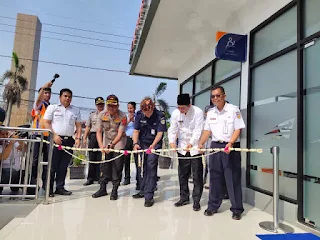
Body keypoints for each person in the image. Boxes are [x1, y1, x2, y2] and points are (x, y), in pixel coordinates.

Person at [198, 85, 245, 220]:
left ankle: (236, 209)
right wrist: (201, 143)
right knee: (215, 177)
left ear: (224, 96)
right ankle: (213, 206)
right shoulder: (211, 113)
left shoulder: (233, 110)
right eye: (213, 96)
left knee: (232, 178)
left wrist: (230, 143)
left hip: (230, 147)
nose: (215, 98)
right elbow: (207, 131)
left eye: (218, 95)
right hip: (215, 146)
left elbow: (238, 129)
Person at [168, 93, 204, 211]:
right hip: (182, 147)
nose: (180, 110)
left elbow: (198, 130)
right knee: (182, 174)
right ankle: (184, 197)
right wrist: (172, 142)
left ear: (189, 105)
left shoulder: (197, 112)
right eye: (179, 107)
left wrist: (192, 143)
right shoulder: (175, 113)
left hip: (194, 147)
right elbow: (173, 129)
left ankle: (196, 200)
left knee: (197, 175)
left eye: (183, 107)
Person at [43, 88, 82, 197]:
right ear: (60, 97)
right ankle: (48, 189)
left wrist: (78, 138)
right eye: (65, 96)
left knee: (64, 166)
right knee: (52, 165)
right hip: (55, 140)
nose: (67, 98)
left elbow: (78, 125)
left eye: (69, 96)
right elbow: (46, 122)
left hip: (68, 140)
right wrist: (54, 135)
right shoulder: (53, 108)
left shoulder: (75, 110)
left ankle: (60, 187)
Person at [132, 97, 167, 207]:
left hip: (154, 144)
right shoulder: (139, 114)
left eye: (148, 112)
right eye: (144, 112)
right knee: (141, 167)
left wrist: (153, 145)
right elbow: (136, 130)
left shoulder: (160, 116)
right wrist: (135, 143)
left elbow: (160, 133)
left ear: (152, 108)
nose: (146, 115)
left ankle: (149, 196)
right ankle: (142, 190)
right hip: (142, 143)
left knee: (151, 167)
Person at [92, 94, 127, 200]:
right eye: (109, 106)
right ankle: (102, 189)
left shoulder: (123, 116)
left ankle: (114, 190)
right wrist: (101, 146)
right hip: (106, 140)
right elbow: (98, 131)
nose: (112, 108)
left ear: (118, 105)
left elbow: (120, 134)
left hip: (118, 142)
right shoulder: (102, 114)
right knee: (105, 166)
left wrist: (112, 145)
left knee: (117, 166)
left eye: (114, 106)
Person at [31, 81, 52, 190]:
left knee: (46, 162)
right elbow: (38, 100)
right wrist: (44, 87)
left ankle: (45, 185)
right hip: (37, 135)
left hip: (48, 137)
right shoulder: (38, 105)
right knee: (35, 161)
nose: (47, 95)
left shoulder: (50, 106)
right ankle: (33, 183)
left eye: (49, 93)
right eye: (45, 93)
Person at [83, 97, 105, 186]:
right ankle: (90, 178)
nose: (100, 106)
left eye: (102, 104)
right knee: (91, 157)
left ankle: (100, 177)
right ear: (96, 105)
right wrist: (84, 137)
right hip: (93, 135)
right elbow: (88, 126)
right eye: (99, 104)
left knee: (101, 158)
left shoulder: (107, 115)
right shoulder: (92, 115)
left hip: (103, 136)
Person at [122, 101, 136, 186]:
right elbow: (122, 127)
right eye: (128, 108)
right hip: (127, 140)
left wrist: (134, 120)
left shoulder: (138, 116)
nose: (129, 110)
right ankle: (127, 178)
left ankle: (139, 179)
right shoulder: (124, 117)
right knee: (126, 160)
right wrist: (128, 120)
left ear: (134, 108)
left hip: (134, 140)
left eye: (131, 108)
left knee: (137, 159)